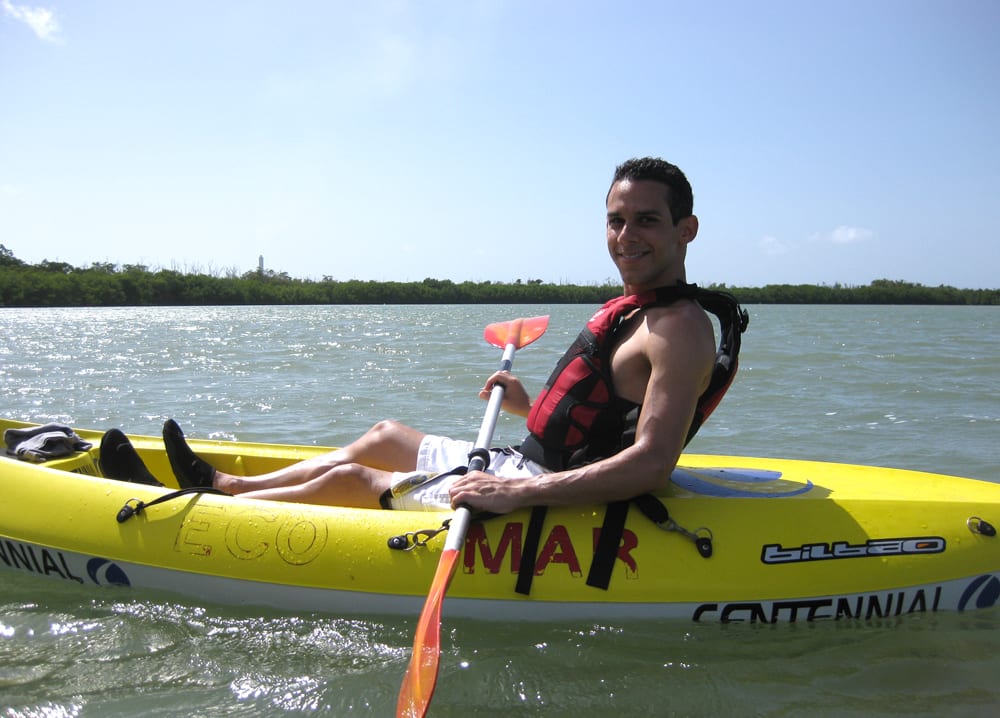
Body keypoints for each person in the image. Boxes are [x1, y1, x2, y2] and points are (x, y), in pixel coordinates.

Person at [104, 157, 746, 514]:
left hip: (551, 493)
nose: (626, 236)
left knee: (354, 481)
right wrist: (526, 404)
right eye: (616, 220)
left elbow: (651, 463)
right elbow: (611, 416)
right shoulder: (639, 310)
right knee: (384, 436)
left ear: (686, 230)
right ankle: (225, 487)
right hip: (529, 463)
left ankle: (193, 512)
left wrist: (516, 491)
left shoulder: (677, 330)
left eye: (647, 221)